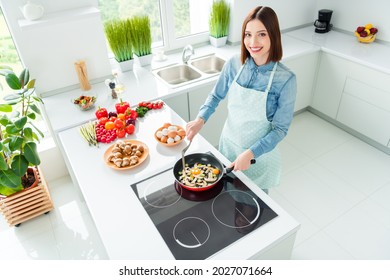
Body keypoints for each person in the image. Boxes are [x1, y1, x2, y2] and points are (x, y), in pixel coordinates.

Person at [186, 6, 297, 194]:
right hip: (229, 145)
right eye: (248, 34)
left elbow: (280, 130)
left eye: (261, 34)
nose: (253, 42)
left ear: (273, 35)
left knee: (253, 209)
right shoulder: (234, 64)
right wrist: (200, 120)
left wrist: (251, 153)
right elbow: (216, 95)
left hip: (258, 157)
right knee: (230, 196)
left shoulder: (285, 79)